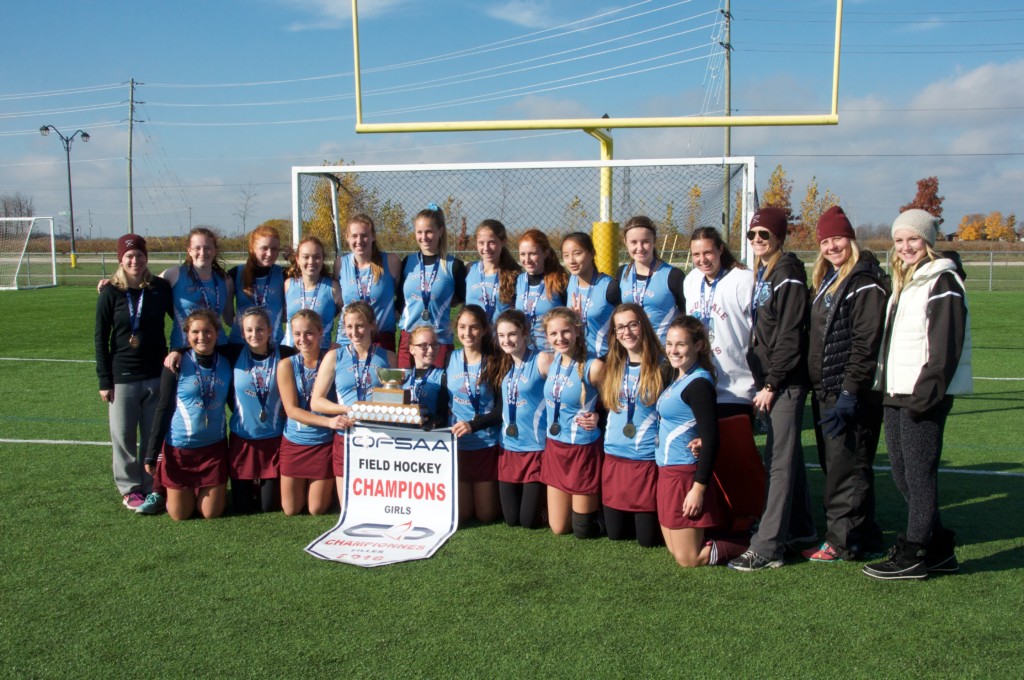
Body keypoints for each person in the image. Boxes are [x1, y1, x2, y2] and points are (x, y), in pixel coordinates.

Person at [863, 209, 972, 580]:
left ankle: (912, 553)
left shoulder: (943, 280)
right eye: (899, 240)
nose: (905, 246)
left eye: (913, 239)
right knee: (903, 474)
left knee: (919, 475)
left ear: (928, 241)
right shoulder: (906, 279)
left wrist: (925, 396)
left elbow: (945, 347)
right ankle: (939, 549)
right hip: (896, 390)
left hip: (920, 394)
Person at [729, 207, 817, 571]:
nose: (757, 241)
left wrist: (772, 382)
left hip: (784, 381)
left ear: (780, 237)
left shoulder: (789, 273)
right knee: (787, 456)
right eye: (752, 235)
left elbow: (791, 334)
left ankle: (768, 547)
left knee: (777, 462)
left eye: (764, 235)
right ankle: (802, 530)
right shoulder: (766, 271)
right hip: (772, 379)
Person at [803, 207, 889, 562]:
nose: (831, 246)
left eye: (837, 238)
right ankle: (865, 536)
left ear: (850, 239)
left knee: (846, 469)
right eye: (825, 240)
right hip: (827, 390)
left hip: (847, 392)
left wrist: (850, 391)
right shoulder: (829, 278)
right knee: (839, 465)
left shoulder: (864, 281)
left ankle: (841, 540)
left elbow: (864, 342)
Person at [95, 234, 174, 513]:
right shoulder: (110, 293)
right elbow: (100, 339)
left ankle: (151, 485)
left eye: (139, 255)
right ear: (121, 259)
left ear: (146, 257)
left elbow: (180, 318)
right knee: (124, 436)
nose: (135, 261)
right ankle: (129, 489)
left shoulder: (160, 287)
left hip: (156, 373)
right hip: (123, 377)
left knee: (154, 435)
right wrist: (105, 380)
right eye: (129, 256)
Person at [145, 309, 231, 520]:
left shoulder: (227, 362)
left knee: (210, 513)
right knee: (180, 514)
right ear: (187, 335)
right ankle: (165, 490)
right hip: (180, 449)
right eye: (196, 332)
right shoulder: (176, 364)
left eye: (208, 331)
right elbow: (163, 408)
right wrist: (151, 452)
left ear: (217, 333)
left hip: (214, 449)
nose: (202, 337)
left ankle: (202, 490)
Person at [656, 317, 727, 567]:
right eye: (669, 344)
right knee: (676, 553)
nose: (673, 350)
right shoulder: (678, 376)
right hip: (666, 471)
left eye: (681, 345)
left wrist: (698, 488)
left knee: (689, 559)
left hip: (684, 473)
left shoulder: (698, 383)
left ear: (698, 346)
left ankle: (752, 541)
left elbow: (712, 438)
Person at [598, 303, 670, 547]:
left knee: (648, 540)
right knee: (615, 534)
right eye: (620, 327)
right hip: (615, 458)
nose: (626, 332)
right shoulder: (613, 365)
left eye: (632, 324)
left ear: (643, 326)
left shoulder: (663, 366)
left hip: (645, 460)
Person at [311, 301, 397, 501]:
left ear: (372, 325)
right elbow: (316, 401)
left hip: (379, 436)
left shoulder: (388, 357)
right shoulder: (334, 356)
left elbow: (395, 399)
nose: (354, 332)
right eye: (349, 327)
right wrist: (348, 410)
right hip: (347, 434)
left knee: (377, 500)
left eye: (360, 325)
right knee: (347, 505)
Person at [484, 309, 553, 529]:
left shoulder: (541, 360)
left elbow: (564, 388)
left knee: (528, 520)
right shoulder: (506, 365)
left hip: (535, 448)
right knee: (512, 520)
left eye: (512, 334)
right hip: (509, 448)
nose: (507, 340)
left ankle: (556, 509)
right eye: (502, 335)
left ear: (525, 333)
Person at [540, 307, 604, 538]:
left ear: (577, 331)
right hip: (556, 447)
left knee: (582, 531)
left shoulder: (593, 366)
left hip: (582, 449)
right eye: (553, 334)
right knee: (558, 528)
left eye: (566, 331)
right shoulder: (549, 362)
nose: (560, 338)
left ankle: (606, 510)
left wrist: (599, 417)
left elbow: (615, 404)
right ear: (547, 337)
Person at [277, 309, 345, 516]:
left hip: (322, 444)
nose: (302, 339)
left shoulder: (332, 359)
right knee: (290, 510)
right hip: (294, 442)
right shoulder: (286, 365)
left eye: (308, 333)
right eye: (297, 334)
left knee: (316, 509)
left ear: (320, 332)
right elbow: (291, 410)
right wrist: (330, 422)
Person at [684, 227, 756, 419]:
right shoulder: (691, 280)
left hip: (736, 388)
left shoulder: (744, 280)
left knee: (736, 447)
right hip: (700, 382)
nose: (703, 260)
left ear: (720, 250)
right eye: (696, 254)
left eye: (708, 252)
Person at [447, 305, 501, 524]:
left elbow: (501, 410)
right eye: (462, 327)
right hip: (458, 445)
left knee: (486, 515)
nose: (467, 333)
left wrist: (473, 425)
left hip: (486, 444)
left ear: (485, 329)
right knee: (464, 514)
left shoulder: (495, 361)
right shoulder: (450, 357)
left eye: (474, 328)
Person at [396, 204, 467, 369]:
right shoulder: (408, 262)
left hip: (438, 340)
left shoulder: (454, 265)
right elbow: (400, 301)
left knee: (435, 390)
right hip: (409, 340)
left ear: (440, 231)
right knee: (405, 389)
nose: (424, 237)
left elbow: (463, 302)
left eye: (429, 232)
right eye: (419, 232)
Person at [616, 215, 686, 342]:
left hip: (663, 352)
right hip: (632, 349)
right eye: (634, 242)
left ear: (654, 241)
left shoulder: (673, 275)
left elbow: (686, 315)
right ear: (625, 242)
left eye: (645, 242)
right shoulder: (622, 273)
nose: (640, 248)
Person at [337, 214, 401, 350]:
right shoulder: (340, 264)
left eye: (364, 235)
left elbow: (403, 294)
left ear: (373, 236)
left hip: (381, 336)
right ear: (347, 238)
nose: (359, 240)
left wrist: (397, 310)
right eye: (354, 236)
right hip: (348, 337)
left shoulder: (391, 262)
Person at [160, 227, 230, 347]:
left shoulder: (225, 280)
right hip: (183, 348)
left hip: (219, 347)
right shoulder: (174, 274)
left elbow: (229, 319)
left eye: (207, 248)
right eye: (197, 248)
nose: (202, 253)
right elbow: (146, 286)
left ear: (215, 251)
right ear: (189, 251)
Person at [562, 232, 620, 357]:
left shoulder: (610, 287)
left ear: (592, 253)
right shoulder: (570, 281)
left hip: (604, 358)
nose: (571, 260)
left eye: (577, 253)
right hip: (577, 357)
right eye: (566, 255)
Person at [227, 225, 285, 344]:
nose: (269, 253)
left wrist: (292, 257)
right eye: (264, 248)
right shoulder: (235, 274)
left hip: (274, 345)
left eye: (274, 249)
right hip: (240, 345)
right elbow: (228, 318)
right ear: (252, 248)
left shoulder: (284, 274)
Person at [283, 236, 343, 349]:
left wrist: (339, 343)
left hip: (321, 355)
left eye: (316, 257)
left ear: (323, 258)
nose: (311, 262)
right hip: (290, 352)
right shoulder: (288, 285)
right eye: (306, 257)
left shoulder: (332, 288)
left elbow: (345, 316)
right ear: (297, 259)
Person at [515, 229, 568, 352]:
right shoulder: (519, 281)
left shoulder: (560, 280)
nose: (527, 259)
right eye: (522, 254)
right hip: (525, 353)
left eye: (532, 253)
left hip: (552, 352)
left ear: (545, 253)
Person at [464, 219, 520, 326]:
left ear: (503, 242)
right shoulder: (470, 269)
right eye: (481, 243)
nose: (486, 248)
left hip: (501, 339)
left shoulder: (514, 274)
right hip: (474, 337)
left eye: (491, 242)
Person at [402, 325, 448, 429]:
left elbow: (443, 414)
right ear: (412, 349)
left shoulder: (442, 377)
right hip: (402, 433)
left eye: (434, 344)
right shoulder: (403, 376)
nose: (431, 350)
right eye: (424, 345)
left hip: (428, 437)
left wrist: (433, 420)